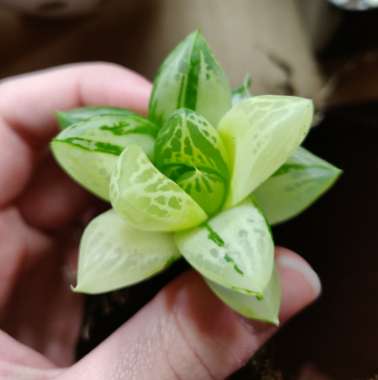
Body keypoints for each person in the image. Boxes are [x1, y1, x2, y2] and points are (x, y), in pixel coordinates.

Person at [0, 62, 321, 379]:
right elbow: (81, 142)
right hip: (164, 237)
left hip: (229, 224)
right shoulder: (131, 182)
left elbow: (251, 275)